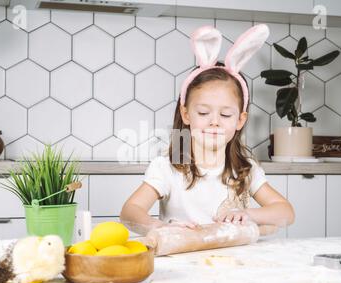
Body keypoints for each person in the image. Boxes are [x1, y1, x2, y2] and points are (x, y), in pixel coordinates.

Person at [120, 24, 294, 235]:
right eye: (203, 113)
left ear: (240, 120)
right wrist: (160, 227)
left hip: (234, 262)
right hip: (183, 261)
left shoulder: (245, 169)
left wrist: (250, 214)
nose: (214, 122)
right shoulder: (168, 168)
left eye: (225, 115)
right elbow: (130, 212)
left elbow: (286, 213)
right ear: (186, 115)